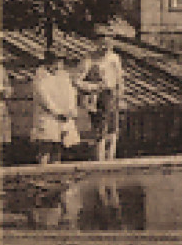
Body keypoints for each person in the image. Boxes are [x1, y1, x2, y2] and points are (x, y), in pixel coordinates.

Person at [78, 24, 126, 160]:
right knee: (100, 131)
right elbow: (76, 80)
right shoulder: (89, 59)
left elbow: (119, 79)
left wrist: (120, 96)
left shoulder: (115, 58)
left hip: (112, 96)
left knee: (113, 130)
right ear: (96, 42)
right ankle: (100, 161)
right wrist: (93, 87)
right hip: (98, 97)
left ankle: (110, 159)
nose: (105, 44)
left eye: (108, 40)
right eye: (102, 40)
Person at [29, 48, 80, 164]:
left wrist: (71, 109)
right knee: (46, 146)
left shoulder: (64, 76)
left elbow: (71, 93)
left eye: (60, 62)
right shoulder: (40, 77)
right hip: (47, 116)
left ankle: (56, 174)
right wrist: (58, 112)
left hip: (64, 116)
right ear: (48, 62)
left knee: (59, 146)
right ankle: (42, 172)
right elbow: (44, 98)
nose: (58, 65)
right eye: (55, 62)